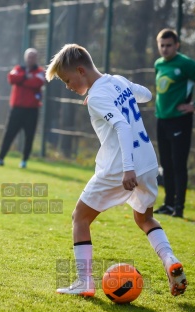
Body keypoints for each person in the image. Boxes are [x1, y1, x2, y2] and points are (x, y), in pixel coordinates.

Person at [45, 44, 187, 297]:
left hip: (121, 167)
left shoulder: (98, 96)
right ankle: (170, 261)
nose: (67, 86)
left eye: (67, 80)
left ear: (80, 70)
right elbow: (145, 95)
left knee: (80, 217)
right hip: (148, 162)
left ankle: (84, 282)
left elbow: (121, 126)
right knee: (144, 218)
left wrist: (127, 169)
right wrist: (121, 92)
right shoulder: (117, 81)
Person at [153, 28, 195, 218]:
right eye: (162, 45)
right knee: (166, 164)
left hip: (180, 121)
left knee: (178, 164)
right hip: (161, 120)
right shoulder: (158, 64)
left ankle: (179, 207)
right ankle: (168, 204)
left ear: (177, 45)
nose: (165, 49)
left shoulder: (186, 64)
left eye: (169, 45)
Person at [0, 48, 45, 169]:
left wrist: (22, 80)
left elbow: (37, 82)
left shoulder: (40, 71)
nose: (31, 59)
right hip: (17, 109)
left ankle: (24, 161)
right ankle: (0, 158)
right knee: (9, 134)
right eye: (29, 56)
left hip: (32, 110)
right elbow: (12, 78)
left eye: (33, 57)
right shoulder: (18, 68)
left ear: (36, 59)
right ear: (25, 57)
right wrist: (26, 77)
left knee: (29, 136)